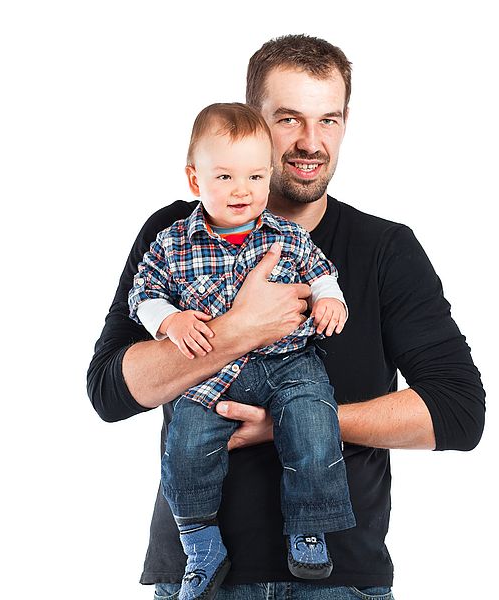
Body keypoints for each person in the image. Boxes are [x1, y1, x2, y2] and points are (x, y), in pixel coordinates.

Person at [87, 34, 485, 599]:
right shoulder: (175, 233)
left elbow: (459, 413)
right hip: (201, 581)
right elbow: (109, 391)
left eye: (329, 120)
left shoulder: (385, 248)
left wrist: (302, 421)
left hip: (339, 581)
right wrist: (238, 330)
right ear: (253, 123)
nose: (310, 142)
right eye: (289, 119)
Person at [128, 102, 355, 599]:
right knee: (185, 443)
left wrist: (330, 299)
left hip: (289, 363)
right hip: (212, 373)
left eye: (254, 176)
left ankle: (309, 526)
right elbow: (142, 294)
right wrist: (169, 318)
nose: (241, 190)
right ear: (195, 181)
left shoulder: (286, 234)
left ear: (269, 178)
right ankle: (201, 539)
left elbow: (321, 273)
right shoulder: (172, 242)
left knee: (315, 420)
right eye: (225, 176)